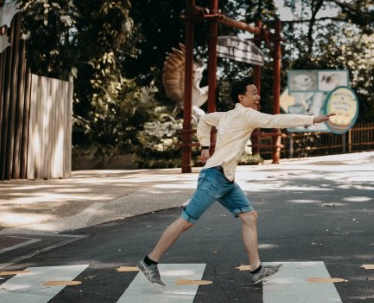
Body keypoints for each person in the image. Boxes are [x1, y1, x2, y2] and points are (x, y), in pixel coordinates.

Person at [138, 77, 334, 287]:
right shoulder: (247, 115)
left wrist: (205, 146)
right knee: (185, 221)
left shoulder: (227, 115)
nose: (258, 96)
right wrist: (314, 119)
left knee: (249, 216)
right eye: (253, 93)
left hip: (226, 179)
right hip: (215, 177)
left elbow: (205, 120)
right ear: (242, 97)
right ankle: (150, 261)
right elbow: (276, 120)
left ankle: (256, 269)